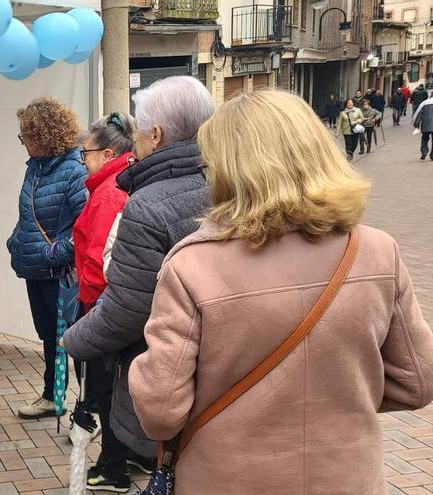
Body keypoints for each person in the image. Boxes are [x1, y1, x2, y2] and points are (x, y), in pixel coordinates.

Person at [130, 89, 433, 495]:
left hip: (225, 479)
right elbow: (417, 380)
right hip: (348, 477)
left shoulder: (191, 266)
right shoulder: (377, 251)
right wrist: (340, 394)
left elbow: (162, 412)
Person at [63, 76, 214, 478]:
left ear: (157, 134)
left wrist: (73, 340)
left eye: (142, 133)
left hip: (167, 362)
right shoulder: (226, 182)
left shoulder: (146, 204)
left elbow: (129, 307)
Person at [7, 96, 87, 420]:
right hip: (36, 269)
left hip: (59, 272)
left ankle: (88, 407)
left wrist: (55, 253)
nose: (22, 141)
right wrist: (15, 242)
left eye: (24, 135)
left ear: (42, 134)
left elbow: (86, 225)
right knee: (49, 337)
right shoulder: (36, 169)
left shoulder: (73, 171)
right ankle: (52, 397)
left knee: (75, 339)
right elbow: (28, 213)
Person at [70, 112, 137, 492]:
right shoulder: (116, 184)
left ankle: (113, 467)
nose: (83, 160)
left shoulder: (109, 191)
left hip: (103, 308)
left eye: (86, 154)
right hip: (114, 305)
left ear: (107, 152)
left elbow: (99, 264)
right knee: (118, 386)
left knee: (107, 389)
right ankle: (127, 456)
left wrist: (90, 316)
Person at [413, 97, 433, 161]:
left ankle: (424, 152)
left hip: (426, 124)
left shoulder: (424, 103)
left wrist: (416, 125)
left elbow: (418, 114)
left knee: (424, 139)